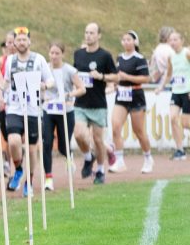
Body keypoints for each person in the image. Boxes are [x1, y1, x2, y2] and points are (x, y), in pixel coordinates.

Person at [0, 27, 53, 196]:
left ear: (29, 41)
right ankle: (19, 169)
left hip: (33, 109)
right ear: (14, 42)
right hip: (14, 107)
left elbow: (50, 80)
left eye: (24, 39)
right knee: (13, 141)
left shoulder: (39, 59)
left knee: (31, 149)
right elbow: (6, 81)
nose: (21, 42)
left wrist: (44, 85)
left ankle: (29, 182)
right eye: (18, 39)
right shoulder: (10, 61)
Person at [72, 23, 118, 185]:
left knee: (98, 141)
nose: (88, 35)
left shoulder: (104, 56)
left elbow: (116, 77)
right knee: (78, 134)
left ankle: (100, 170)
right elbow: (74, 75)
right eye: (86, 32)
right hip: (80, 104)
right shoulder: (78, 54)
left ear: (99, 35)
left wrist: (101, 77)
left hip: (98, 104)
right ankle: (87, 157)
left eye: (92, 33)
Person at [107, 31, 153, 174]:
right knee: (115, 127)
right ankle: (119, 161)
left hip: (135, 94)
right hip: (121, 95)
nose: (126, 42)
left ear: (135, 42)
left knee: (138, 130)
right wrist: (112, 85)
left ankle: (148, 158)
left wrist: (128, 76)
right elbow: (116, 76)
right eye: (124, 39)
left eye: (129, 39)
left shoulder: (139, 59)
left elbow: (145, 79)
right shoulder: (119, 58)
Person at [42, 42, 86, 188]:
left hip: (65, 111)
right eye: (52, 53)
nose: (54, 56)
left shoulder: (69, 70)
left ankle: (69, 156)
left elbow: (82, 89)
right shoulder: (45, 69)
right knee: (46, 143)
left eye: (57, 53)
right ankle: (48, 178)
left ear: (62, 54)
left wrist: (69, 94)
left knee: (62, 145)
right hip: (48, 110)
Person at [155, 31, 189, 160]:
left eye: (175, 39)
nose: (173, 42)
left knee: (186, 124)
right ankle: (180, 150)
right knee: (173, 118)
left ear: (182, 40)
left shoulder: (187, 53)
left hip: (187, 92)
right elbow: (169, 75)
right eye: (171, 40)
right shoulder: (171, 56)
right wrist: (161, 87)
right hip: (176, 92)